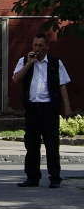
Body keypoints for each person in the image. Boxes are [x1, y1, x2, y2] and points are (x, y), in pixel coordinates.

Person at [12, 33, 71, 188]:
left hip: (49, 108)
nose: (37, 49)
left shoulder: (55, 63)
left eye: (40, 46)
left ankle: (54, 177)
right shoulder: (24, 61)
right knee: (31, 145)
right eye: (35, 45)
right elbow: (16, 79)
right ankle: (32, 177)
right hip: (32, 108)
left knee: (52, 144)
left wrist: (67, 107)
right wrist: (29, 64)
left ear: (46, 47)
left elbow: (62, 85)